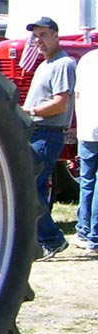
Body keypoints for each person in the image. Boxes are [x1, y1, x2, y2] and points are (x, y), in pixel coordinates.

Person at [23, 17, 77, 260]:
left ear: (56, 35)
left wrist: (30, 111)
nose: (38, 41)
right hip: (36, 132)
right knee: (37, 187)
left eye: (43, 35)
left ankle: (52, 239)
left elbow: (60, 104)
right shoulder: (44, 64)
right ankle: (38, 241)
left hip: (47, 133)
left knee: (31, 187)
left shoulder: (63, 64)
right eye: (35, 36)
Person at [73, 48, 98, 252]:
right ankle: (94, 236)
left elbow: (77, 96)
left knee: (87, 182)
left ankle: (83, 230)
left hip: (86, 129)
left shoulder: (86, 60)